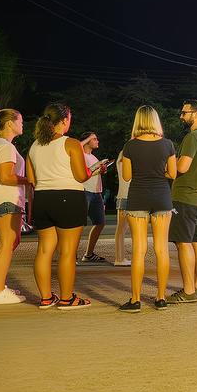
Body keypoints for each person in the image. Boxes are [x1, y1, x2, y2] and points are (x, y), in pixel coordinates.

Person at [26, 102, 93, 310]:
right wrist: (92, 171)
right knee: (67, 252)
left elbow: (31, 179)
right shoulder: (71, 143)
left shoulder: (34, 146)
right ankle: (66, 298)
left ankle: (46, 298)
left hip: (42, 199)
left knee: (44, 251)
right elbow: (81, 176)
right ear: (64, 121)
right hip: (68, 199)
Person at [119, 105, 177, 312]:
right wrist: (160, 173)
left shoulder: (130, 146)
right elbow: (173, 174)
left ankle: (135, 300)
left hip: (138, 198)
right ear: (155, 121)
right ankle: (161, 298)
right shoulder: (167, 144)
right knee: (161, 249)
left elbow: (127, 176)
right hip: (162, 198)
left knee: (139, 250)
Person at [167, 100, 197, 305]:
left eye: (184, 113)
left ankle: (188, 291)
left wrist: (167, 168)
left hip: (185, 197)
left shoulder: (192, 137)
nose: (181, 116)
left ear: (195, 114)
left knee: (183, 242)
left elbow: (182, 167)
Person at [0, 106, 29, 305]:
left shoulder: (0, 144)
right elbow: (5, 177)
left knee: (9, 243)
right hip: (5, 200)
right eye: (20, 121)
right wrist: (31, 180)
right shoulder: (5, 146)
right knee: (6, 244)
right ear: (10, 123)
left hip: (4, 200)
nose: (23, 124)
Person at [80, 132, 109, 263]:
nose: (97, 141)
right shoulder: (80, 155)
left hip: (97, 193)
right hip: (85, 191)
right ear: (87, 141)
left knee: (100, 223)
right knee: (78, 225)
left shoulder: (93, 157)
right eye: (94, 139)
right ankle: (69, 253)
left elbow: (93, 172)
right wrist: (96, 168)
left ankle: (89, 254)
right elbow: (83, 173)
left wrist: (100, 170)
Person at [112, 148, 131, 266]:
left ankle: (120, 258)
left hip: (123, 195)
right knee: (123, 228)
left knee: (122, 228)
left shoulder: (123, 155)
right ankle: (119, 259)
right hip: (128, 195)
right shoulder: (127, 154)